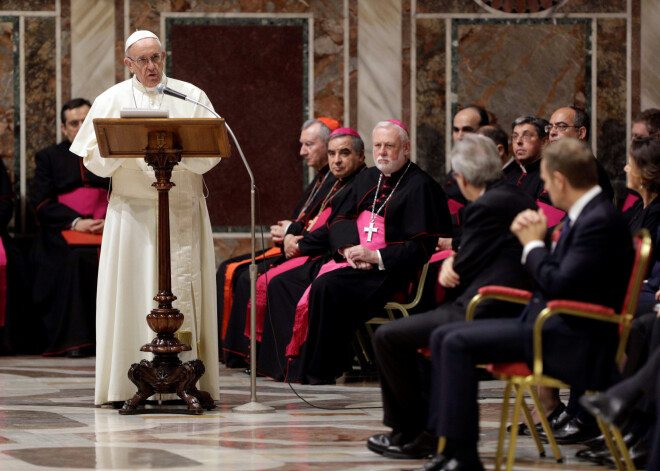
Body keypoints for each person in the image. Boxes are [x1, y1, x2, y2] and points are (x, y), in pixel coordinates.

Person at [408, 138, 633, 471]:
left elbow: (559, 285)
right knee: (445, 335)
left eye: (544, 178)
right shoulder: (587, 215)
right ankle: (450, 450)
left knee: (454, 339)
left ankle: (463, 455)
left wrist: (532, 247)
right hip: (552, 325)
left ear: (559, 180)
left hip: (573, 337)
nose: (543, 187)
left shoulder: (599, 220)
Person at [70, 30, 221, 406]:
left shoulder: (190, 95)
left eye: (157, 58)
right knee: (134, 289)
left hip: (181, 207)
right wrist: (127, 149)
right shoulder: (112, 99)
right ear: (128, 63)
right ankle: (128, 383)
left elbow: (213, 149)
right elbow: (93, 159)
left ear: (164, 56)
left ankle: (188, 379)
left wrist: (177, 151)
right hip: (133, 216)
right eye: (143, 60)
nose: (151, 66)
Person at [367, 134, 537, 460]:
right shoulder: (512, 196)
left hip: (486, 308)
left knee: (389, 336)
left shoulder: (486, 206)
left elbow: (462, 269)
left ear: (461, 177)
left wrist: (456, 260)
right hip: (507, 305)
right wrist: (458, 259)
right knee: (412, 335)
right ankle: (423, 431)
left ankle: (409, 431)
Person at [279, 120, 452, 385]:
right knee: (310, 283)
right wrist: (348, 249)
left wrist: (376, 258)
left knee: (328, 286)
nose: (381, 152)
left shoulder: (421, 186)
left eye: (389, 146)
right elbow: (339, 218)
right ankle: (305, 367)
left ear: (406, 148)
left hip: (394, 271)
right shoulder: (368, 178)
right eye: (377, 146)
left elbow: (421, 248)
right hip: (356, 260)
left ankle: (321, 371)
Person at [223, 126, 365, 368]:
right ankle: (258, 357)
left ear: (360, 156)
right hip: (310, 247)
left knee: (273, 282)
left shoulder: (360, 182)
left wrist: (296, 237)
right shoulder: (335, 181)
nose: (337, 160)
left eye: (344, 153)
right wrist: (293, 235)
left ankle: (280, 362)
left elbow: (336, 227)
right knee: (248, 275)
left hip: (328, 255)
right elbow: (312, 219)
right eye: (332, 154)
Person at [30, 98, 109, 357]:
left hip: (109, 226)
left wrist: (110, 220)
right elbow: (41, 203)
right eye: (73, 123)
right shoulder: (48, 157)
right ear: (64, 128)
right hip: (65, 228)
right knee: (73, 260)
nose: (80, 127)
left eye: (85, 121)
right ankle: (77, 342)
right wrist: (78, 222)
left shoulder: (111, 154)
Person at [546, 106, 615, 201]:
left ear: (581, 133)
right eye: (550, 127)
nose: (552, 132)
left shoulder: (588, 171)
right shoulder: (561, 165)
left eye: (561, 127)